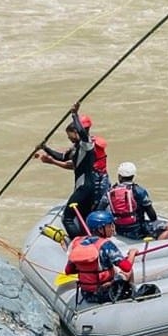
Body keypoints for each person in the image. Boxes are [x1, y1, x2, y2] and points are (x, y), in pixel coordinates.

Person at [36, 103, 98, 240]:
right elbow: (62, 156)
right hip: (83, 186)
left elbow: (83, 133)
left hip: (85, 187)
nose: (69, 138)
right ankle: (87, 238)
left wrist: (74, 114)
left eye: (70, 136)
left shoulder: (87, 144)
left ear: (77, 133)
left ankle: (79, 241)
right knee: (82, 215)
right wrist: (45, 147)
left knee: (68, 217)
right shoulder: (75, 148)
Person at [65, 210, 138, 304]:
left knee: (114, 271)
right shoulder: (106, 245)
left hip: (87, 294)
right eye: (110, 225)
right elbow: (127, 267)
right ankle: (132, 295)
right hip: (106, 292)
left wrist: (86, 268)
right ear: (100, 229)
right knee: (128, 272)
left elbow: (68, 271)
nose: (113, 228)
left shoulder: (77, 243)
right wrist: (132, 253)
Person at [97, 161, 168, 241]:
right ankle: (156, 245)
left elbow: (99, 210)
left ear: (119, 176)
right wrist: (153, 224)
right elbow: (151, 214)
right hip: (137, 229)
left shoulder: (110, 192)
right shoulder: (139, 191)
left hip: (118, 229)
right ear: (133, 176)